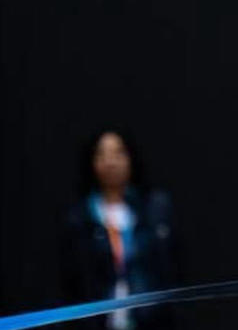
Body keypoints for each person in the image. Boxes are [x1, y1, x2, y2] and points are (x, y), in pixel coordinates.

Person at [60, 128, 181, 329]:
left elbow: (172, 270)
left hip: (150, 321)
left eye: (118, 153)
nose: (110, 162)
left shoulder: (153, 211)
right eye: (102, 154)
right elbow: (73, 282)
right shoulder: (80, 217)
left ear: (130, 157)